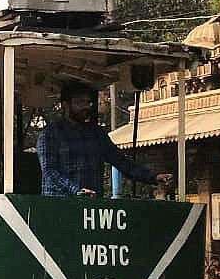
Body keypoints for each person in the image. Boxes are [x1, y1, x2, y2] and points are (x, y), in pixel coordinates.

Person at [37, 82, 173, 197]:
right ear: (65, 105)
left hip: (93, 207)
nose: (86, 107)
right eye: (80, 102)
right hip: (58, 206)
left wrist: (153, 177)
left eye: (88, 102)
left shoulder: (96, 133)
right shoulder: (50, 134)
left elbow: (121, 161)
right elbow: (50, 172)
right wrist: (76, 191)